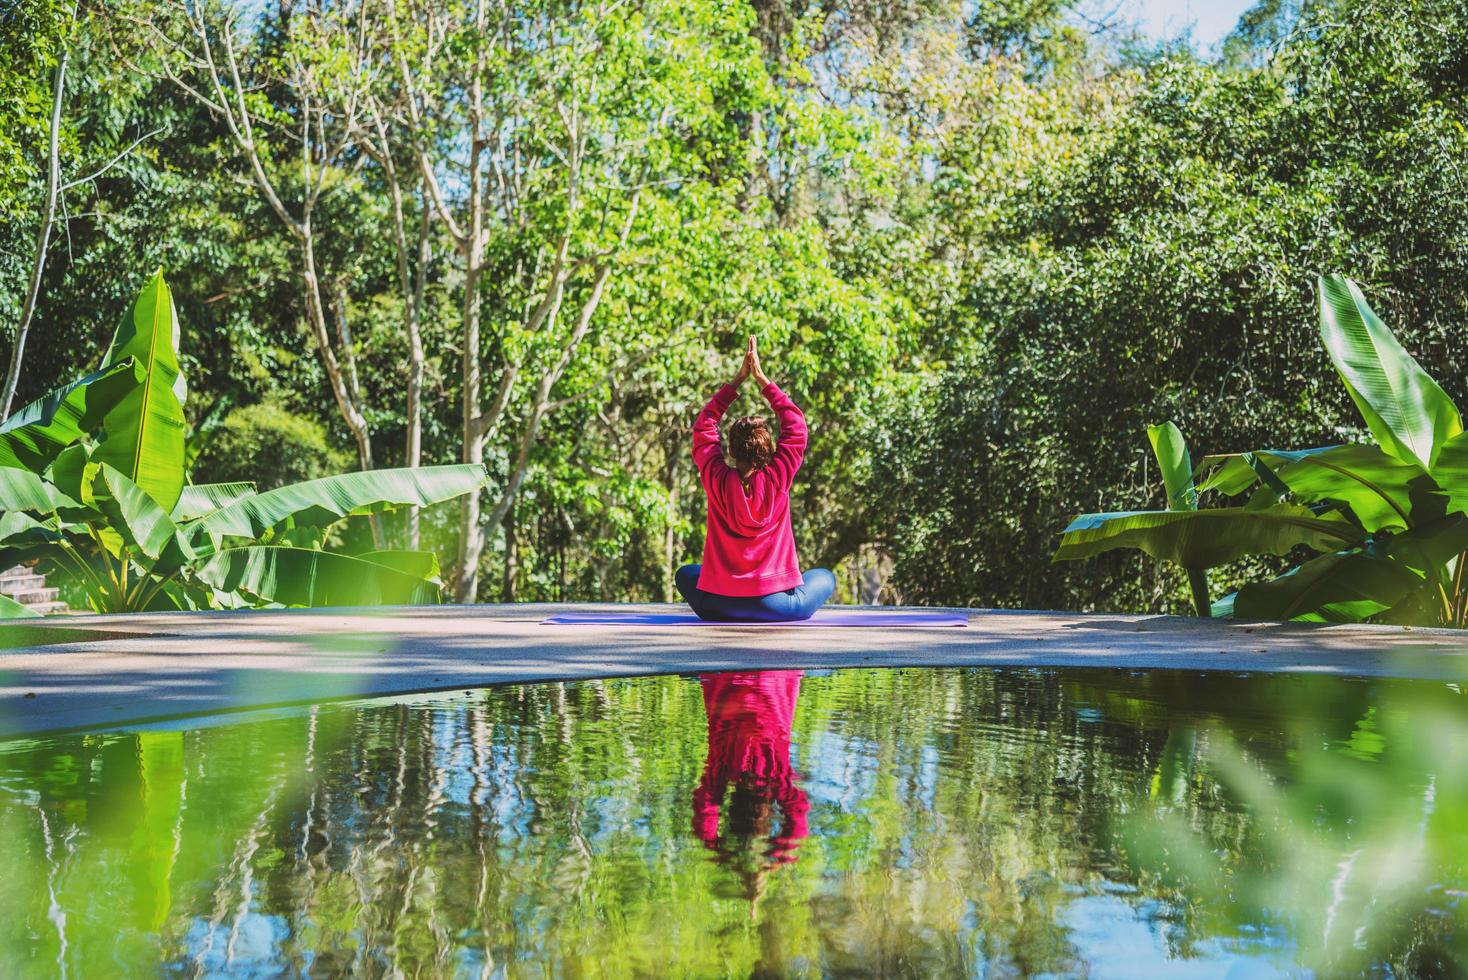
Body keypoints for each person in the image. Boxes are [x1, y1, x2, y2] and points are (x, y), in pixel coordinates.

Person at [675, 336, 836, 622]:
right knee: (824, 577)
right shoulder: (779, 477)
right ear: (767, 448)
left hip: (718, 605)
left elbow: (704, 427)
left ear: (731, 450)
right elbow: (796, 427)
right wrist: (762, 380)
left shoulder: (716, 479)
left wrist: (737, 381)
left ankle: (728, 595)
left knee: (686, 574)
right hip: (775, 606)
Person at [691, 670, 809, 907]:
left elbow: (798, 820)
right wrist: (722, 854)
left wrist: (773, 860)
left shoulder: (777, 777)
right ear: (731, 807)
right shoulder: (722, 771)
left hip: (773, 674)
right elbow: (704, 821)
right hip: (730, 675)